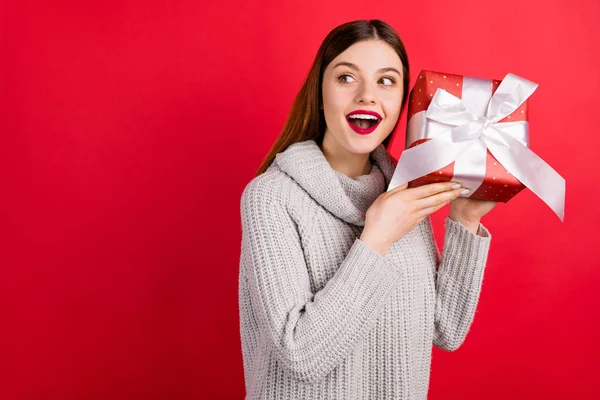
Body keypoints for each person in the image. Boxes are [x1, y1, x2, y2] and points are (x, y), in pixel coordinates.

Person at [238, 19, 496, 400]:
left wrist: (465, 218)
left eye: (386, 81)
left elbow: (445, 330)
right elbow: (302, 355)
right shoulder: (271, 197)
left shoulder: (405, 190)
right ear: (320, 93)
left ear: (401, 105)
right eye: (346, 78)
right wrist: (376, 238)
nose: (367, 96)